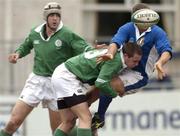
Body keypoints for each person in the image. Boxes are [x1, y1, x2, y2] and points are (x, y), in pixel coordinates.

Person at [0, 2, 92, 136]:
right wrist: (18, 54)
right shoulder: (35, 32)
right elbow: (26, 45)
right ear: (46, 17)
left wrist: (96, 51)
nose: (55, 18)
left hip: (57, 83)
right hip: (36, 81)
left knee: (57, 130)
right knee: (14, 122)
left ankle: (90, 129)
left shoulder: (67, 34)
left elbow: (84, 48)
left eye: (57, 15)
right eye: (52, 15)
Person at [92, 3, 172, 130]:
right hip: (122, 66)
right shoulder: (127, 28)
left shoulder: (157, 32)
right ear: (135, 19)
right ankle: (84, 113)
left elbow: (166, 50)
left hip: (138, 75)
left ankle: (99, 117)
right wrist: (110, 53)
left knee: (108, 84)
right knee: (95, 86)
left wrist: (160, 62)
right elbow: (116, 42)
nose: (146, 22)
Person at [51, 42, 142, 136]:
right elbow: (101, 82)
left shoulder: (112, 52)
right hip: (67, 77)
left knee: (68, 122)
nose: (137, 64)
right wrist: (114, 94)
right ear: (126, 56)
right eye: (135, 61)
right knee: (86, 118)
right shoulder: (116, 60)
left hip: (60, 73)